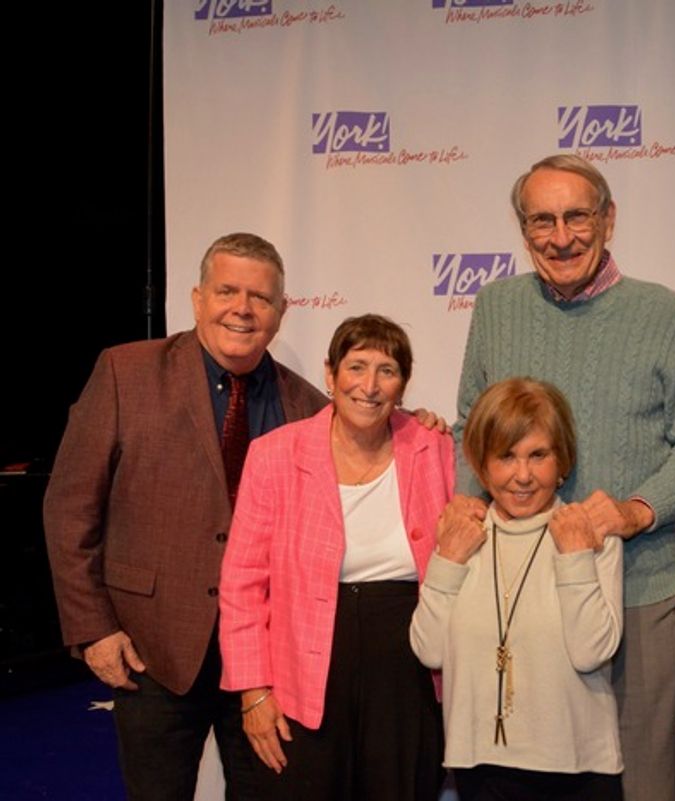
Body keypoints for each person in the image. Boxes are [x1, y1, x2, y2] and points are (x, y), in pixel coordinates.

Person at [453, 154, 675, 801]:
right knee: (521, 782)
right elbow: (473, 427)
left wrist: (636, 510)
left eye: (577, 215)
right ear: (523, 232)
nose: (561, 235)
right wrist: (464, 527)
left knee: (639, 780)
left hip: (634, 586)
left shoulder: (661, 313)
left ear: (609, 219)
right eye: (541, 220)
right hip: (518, 594)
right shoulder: (495, 305)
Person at [42, 232, 327, 800]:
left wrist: (419, 426)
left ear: (282, 311)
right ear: (198, 298)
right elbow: (70, 506)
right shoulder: (126, 372)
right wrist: (94, 627)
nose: (242, 309)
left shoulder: (308, 407)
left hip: (265, 665)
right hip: (151, 653)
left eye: (260, 298)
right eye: (227, 291)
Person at [218, 313, 452, 800]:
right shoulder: (274, 455)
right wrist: (253, 691)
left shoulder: (436, 450)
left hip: (409, 666)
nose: (369, 385)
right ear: (330, 375)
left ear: (403, 383)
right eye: (356, 367)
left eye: (387, 370)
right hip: (303, 669)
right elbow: (241, 585)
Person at [412, 377, 623, 801]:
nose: (522, 475)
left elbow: (591, 651)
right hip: (481, 767)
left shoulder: (591, 534)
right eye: (506, 456)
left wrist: (575, 557)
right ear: (480, 463)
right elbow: (428, 649)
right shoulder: (461, 534)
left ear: (562, 460)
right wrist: (448, 560)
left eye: (538, 455)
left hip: (578, 769)